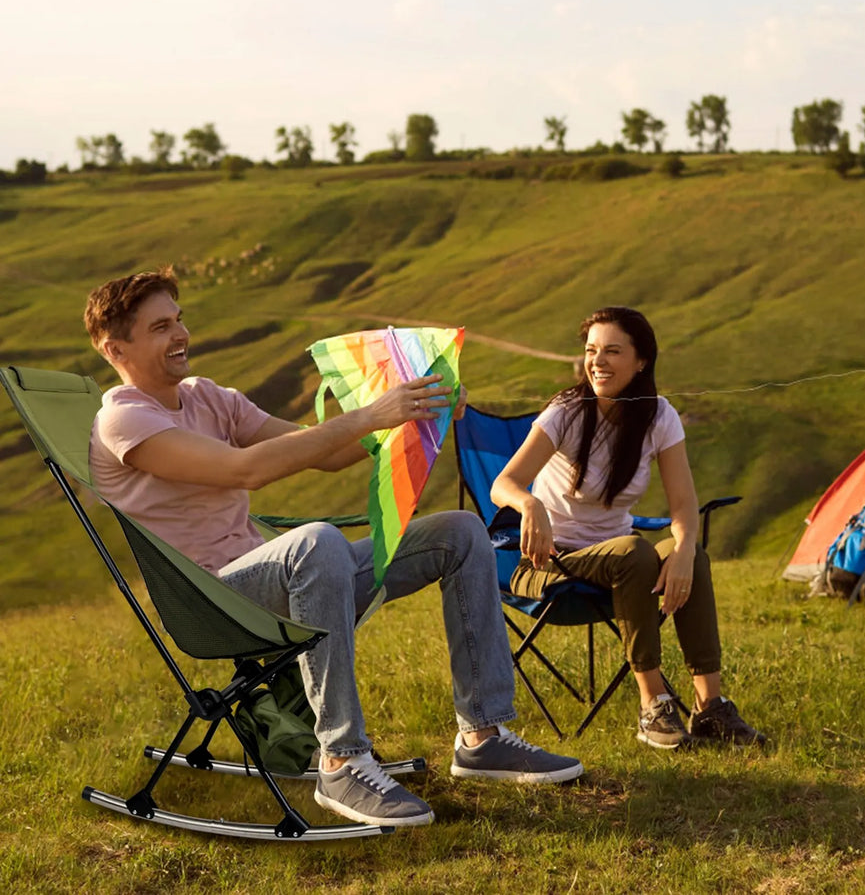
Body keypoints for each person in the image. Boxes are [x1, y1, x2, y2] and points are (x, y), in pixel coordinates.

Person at [83, 269, 582, 830]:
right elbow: (246, 468)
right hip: (209, 600)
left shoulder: (207, 397)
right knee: (316, 542)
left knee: (461, 532)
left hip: (281, 583)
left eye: (179, 319)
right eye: (160, 327)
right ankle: (341, 760)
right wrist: (371, 414)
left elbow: (327, 453)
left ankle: (483, 735)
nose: (180, 333)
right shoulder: (124, 420)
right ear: (116, 348)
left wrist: (421, 406)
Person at [490, 306, 767, 751]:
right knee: (635, 552)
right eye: (591, 351)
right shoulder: (565, 411)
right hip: (552, 563)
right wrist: (529, 503)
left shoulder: (659, 417)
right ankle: (652, 704)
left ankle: (710, 707)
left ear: (641, 362)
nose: (597, 361)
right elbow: (503, 484)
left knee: (688, 553)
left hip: (617, 560)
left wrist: (681, 552)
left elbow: (683, 504)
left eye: (612, 351)